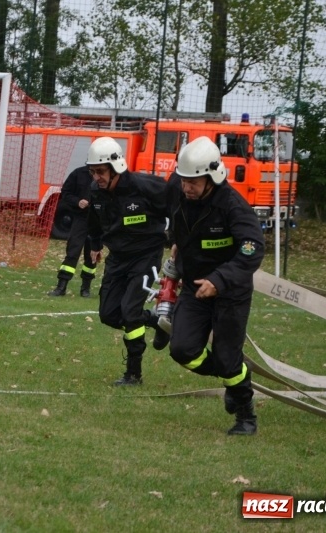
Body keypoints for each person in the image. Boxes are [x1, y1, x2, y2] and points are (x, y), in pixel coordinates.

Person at [164, 136, 265, 436]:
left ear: (212, 177)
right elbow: (173, 218)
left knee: (228, 357)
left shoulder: (233, 206)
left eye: (194, 183)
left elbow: (252, 248)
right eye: (184, 181)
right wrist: (175, 244)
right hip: (194, 288)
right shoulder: (178, 189)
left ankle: (245, 415)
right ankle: (229, 372)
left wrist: (219, 280)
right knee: (182, 350)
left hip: (230, 292)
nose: (186, 188)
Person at [86, 137, 171, 386]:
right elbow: (93, 219)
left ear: (116, 167)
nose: (96, 177)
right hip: (118, 258)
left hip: (146, 255)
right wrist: (95, 245)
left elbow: (178, 209)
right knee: (109, 314)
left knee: (130, 312)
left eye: (100, 171)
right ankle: (157, 322)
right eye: (92, 172)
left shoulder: (147, 187)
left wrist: (178, 240)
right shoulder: (95, 191)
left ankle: (133, 374)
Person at [48, 166, 97, 297]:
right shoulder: (78, 173)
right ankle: (61, 287)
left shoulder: (107, 175)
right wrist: (77, 202)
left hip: (97, 220)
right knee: (72, 251)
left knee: (92, 255)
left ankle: (86, 289)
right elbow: (66, 193)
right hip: (80, 218)